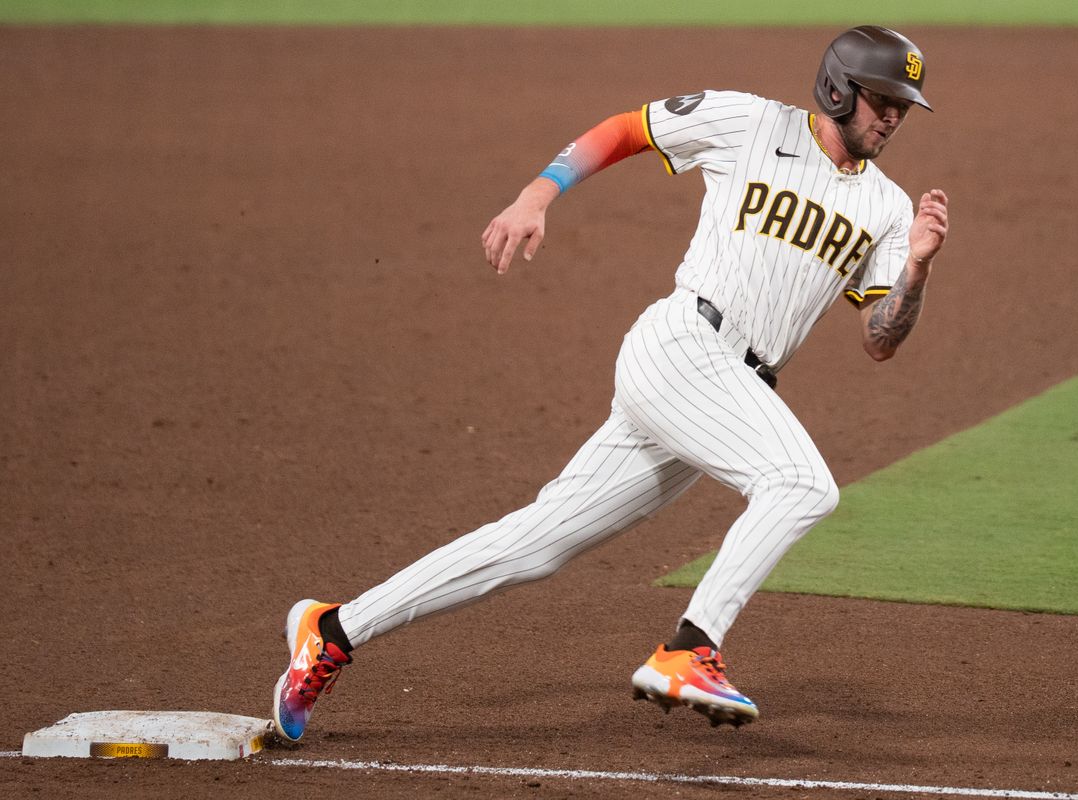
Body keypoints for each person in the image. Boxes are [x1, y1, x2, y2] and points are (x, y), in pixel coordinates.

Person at [271, 24, 950, 741]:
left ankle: (334, 628)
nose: (895, 116)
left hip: (722, 392)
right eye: (884, 100)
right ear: (839, 88)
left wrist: (917, 270)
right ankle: (692, 649)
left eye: (904, 106)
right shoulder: (751, 122)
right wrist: (538, 194)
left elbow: (881, 341)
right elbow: (629, 130)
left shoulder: (887, 206)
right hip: (684, 345)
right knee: (803, 484)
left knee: (536, 543)